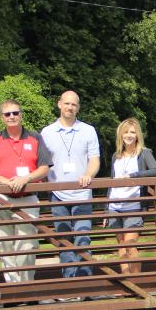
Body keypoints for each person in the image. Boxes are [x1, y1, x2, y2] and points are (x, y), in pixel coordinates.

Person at [0, 99, 51, 284]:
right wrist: (7, 182)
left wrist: (25, 179)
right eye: (7, 114)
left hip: (27, 198)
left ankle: (26, 287)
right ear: (2, 117)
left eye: (15, 113)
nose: (12, 116)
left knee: (27, 244)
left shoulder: (35, 137)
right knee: (5, 245)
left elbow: (44, 167)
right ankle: (12, 289)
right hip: (0, 198)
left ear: (21, 114)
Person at [41, 90, 101, 288]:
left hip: (82, 192)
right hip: (57, 194)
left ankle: (86, 283)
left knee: (83, 237)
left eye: (74, 104)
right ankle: (69, 283)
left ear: (78, 107)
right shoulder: (47, 132)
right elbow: (42, 164)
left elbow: (94, 160)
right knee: (64, 240)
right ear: (59, 104)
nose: (70, 107)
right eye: (66, 103)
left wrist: (89, 175)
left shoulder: (88, 130)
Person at [107, 118, 156, 274]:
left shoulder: (144, 153)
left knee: (130, 244)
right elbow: (112, 182)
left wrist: (134, 176)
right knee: (121, 244)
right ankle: (126, 281)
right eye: (126, 132)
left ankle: (137, 282)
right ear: (120, 135)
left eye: (132, 132)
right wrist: (106, 207)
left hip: (134, 205)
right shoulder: (116, 156)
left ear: (138, 135)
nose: (129, 135)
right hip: (114, 205)